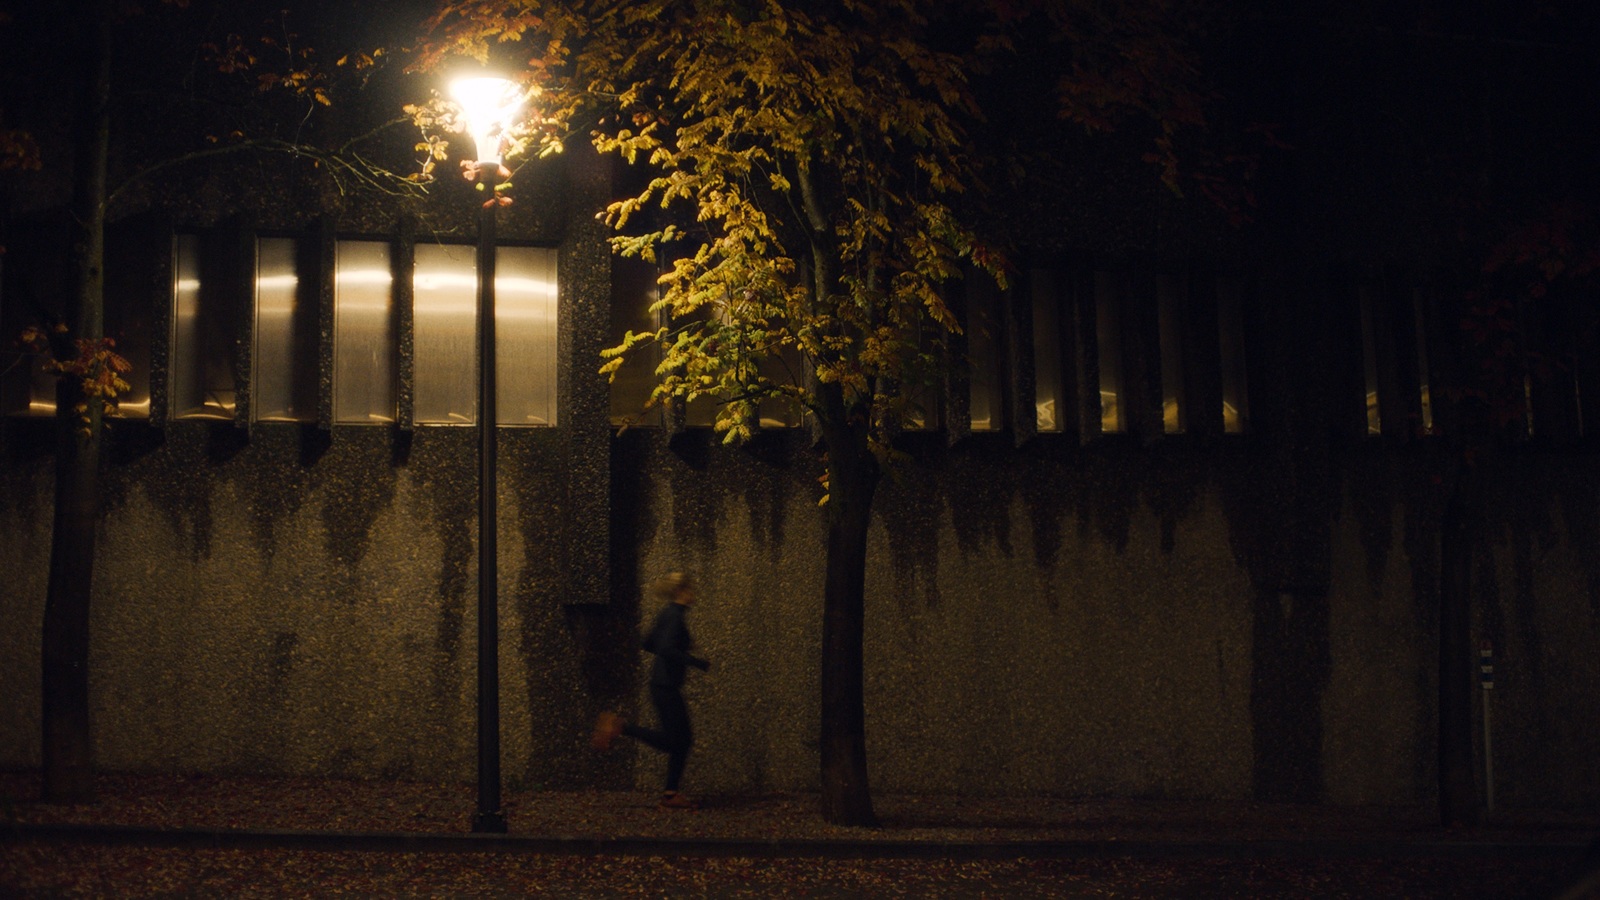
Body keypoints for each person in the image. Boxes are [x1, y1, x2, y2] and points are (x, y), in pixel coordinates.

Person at [591, 571, 710, 810]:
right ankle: (621, 727)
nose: (693, 594)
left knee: (678, 741)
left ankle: (670, 794)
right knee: (681, 740)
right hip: (666, 686)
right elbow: (665, 648)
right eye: (690, 590)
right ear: (682, 592)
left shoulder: (667, 613)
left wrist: (677, 649)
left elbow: (648, 643)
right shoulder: (675, 616)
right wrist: (694, 661)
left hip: (662, 684)